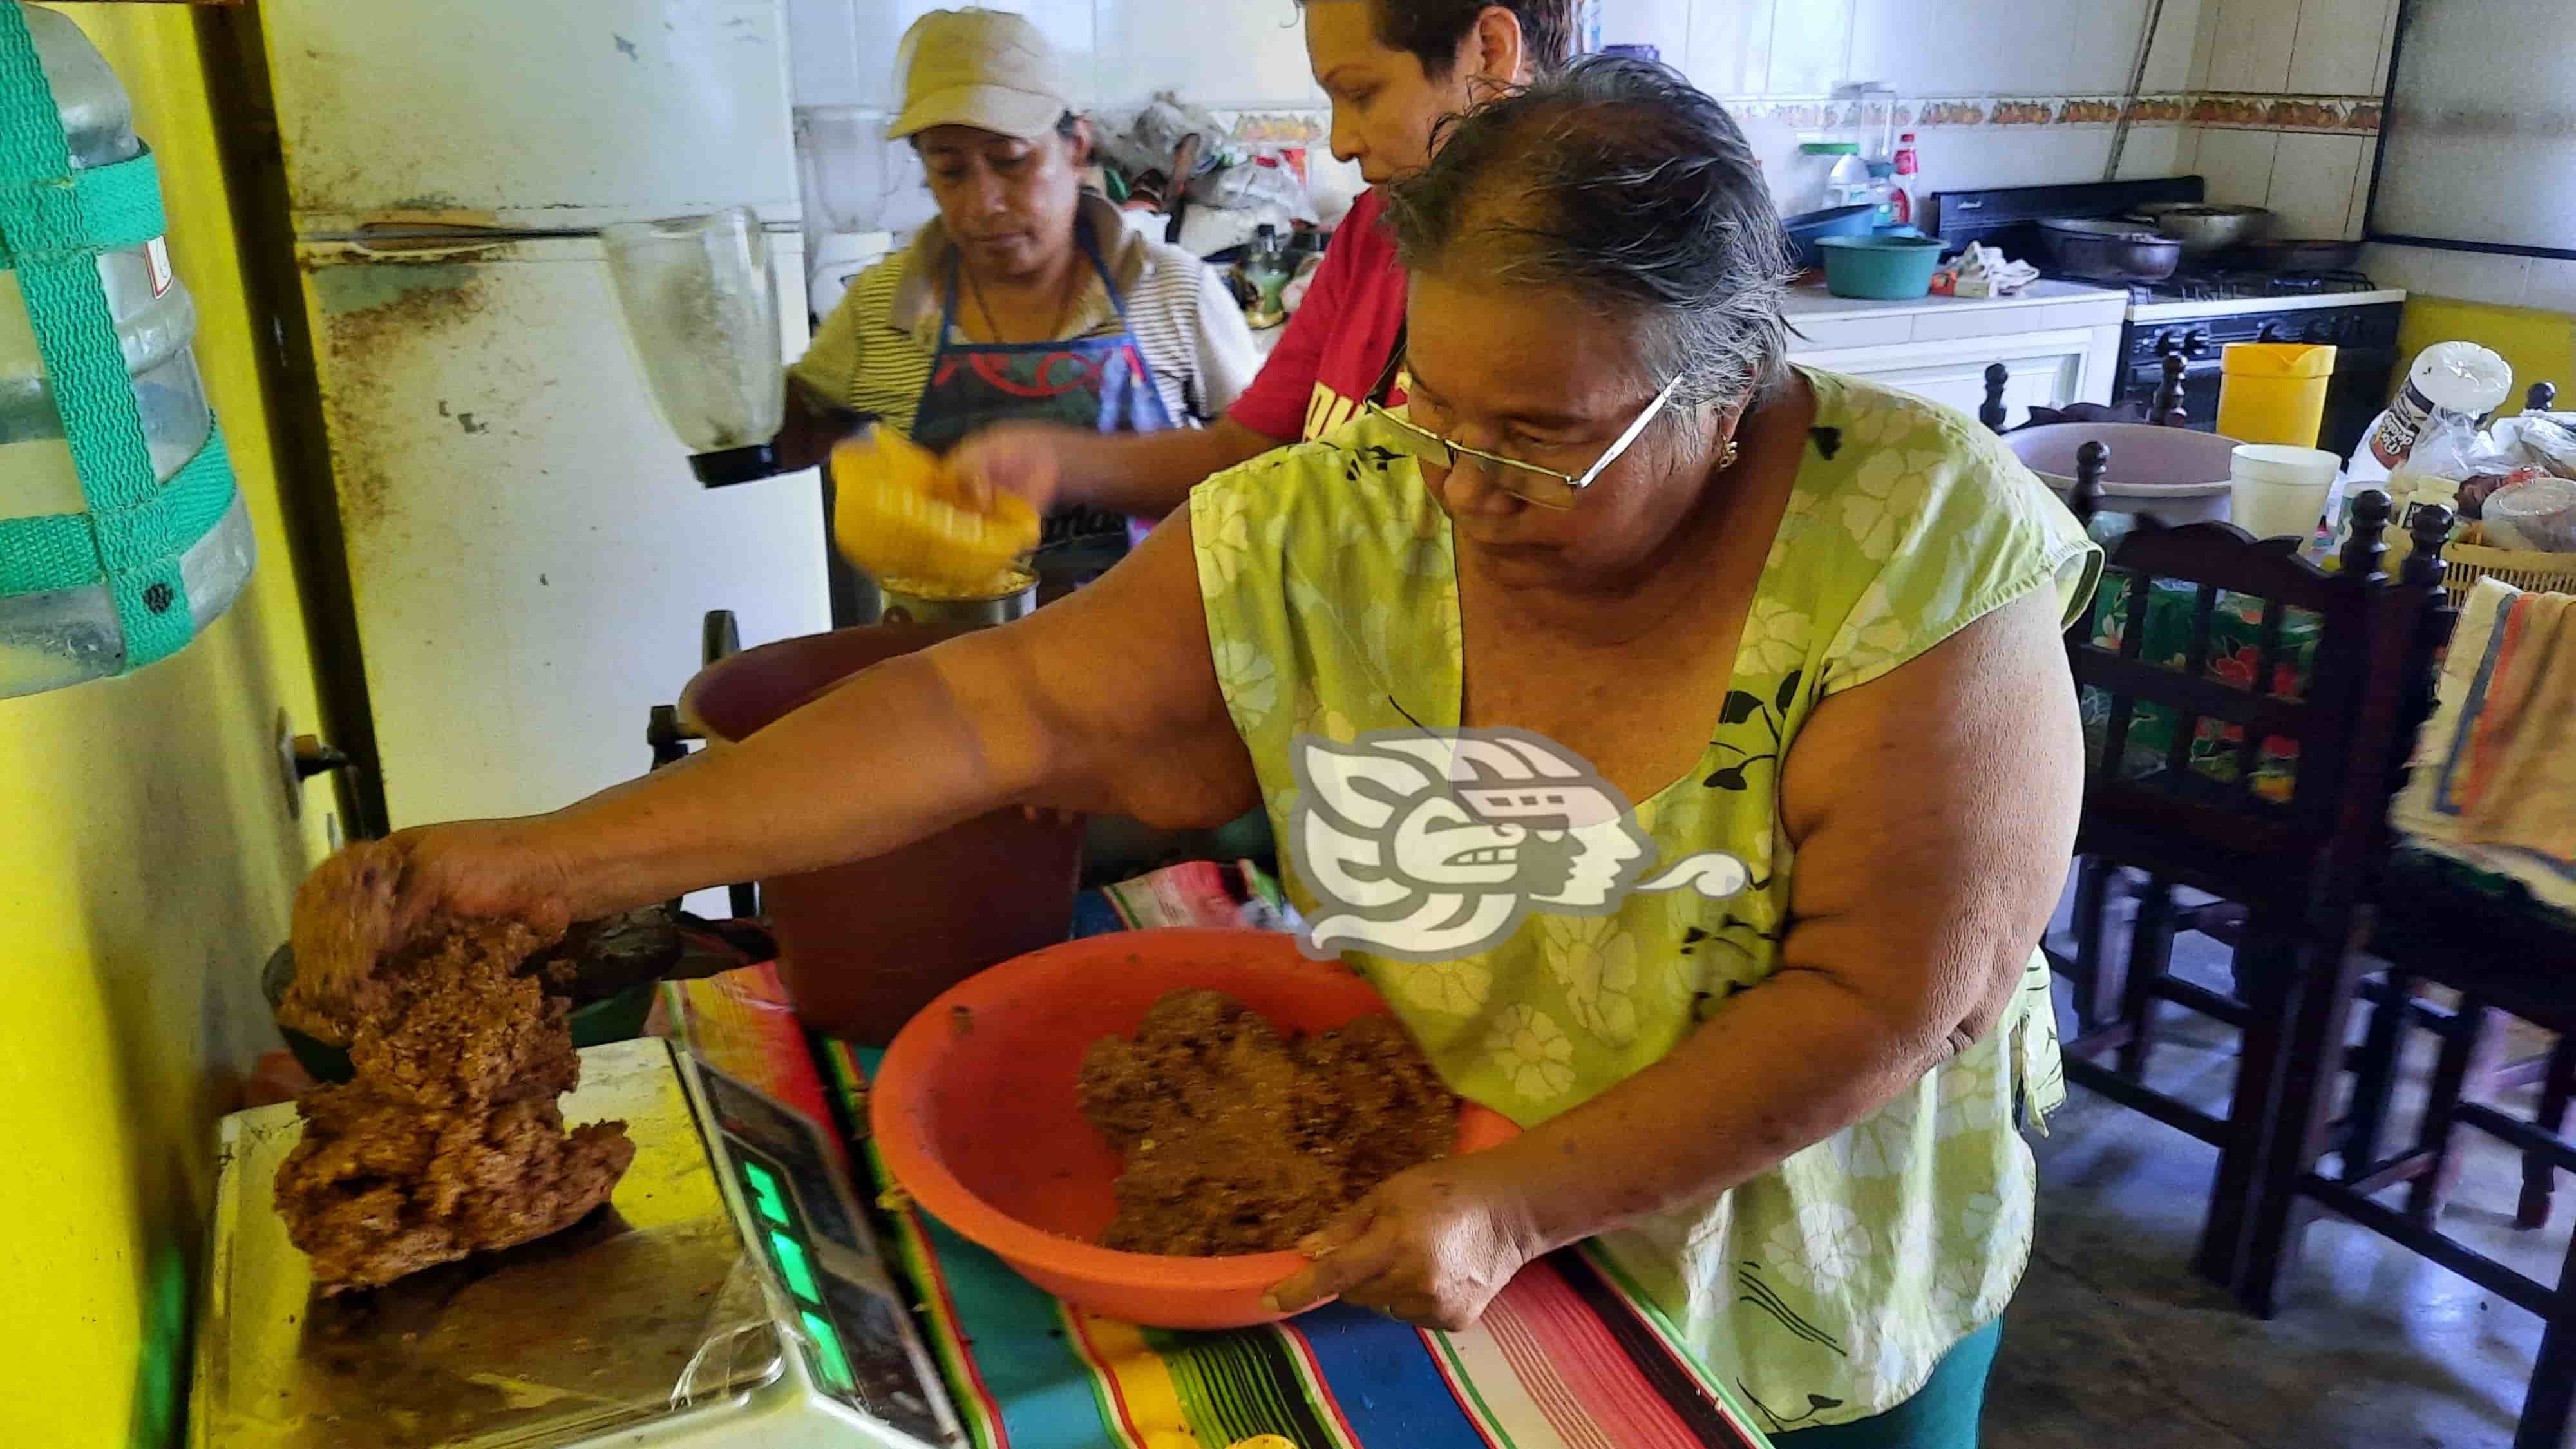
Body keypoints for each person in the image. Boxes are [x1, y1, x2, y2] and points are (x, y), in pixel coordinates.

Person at [295, 61, 2099, 1446]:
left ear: (1731, 379)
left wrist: (1525, 1198)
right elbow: (982, 709)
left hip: (1807, 1228)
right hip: (1462, 1189)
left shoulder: (1920, 546)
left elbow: (1887, 997)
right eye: (1435, 406)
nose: (1463, 490)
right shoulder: (1356, 512)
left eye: (1541, 439)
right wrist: (529, 861)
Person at [941, 0, 1573, 522]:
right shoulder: (1374, 230)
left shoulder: (1583, 292)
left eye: (1361, 93)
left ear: (1489, 51)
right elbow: (1249, 450)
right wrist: (1054, 462)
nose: (1342, 141)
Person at [772, 8, 1258, 617]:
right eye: (949, 171)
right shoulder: (884, 307)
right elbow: (792, 435)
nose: (984, 204)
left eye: (1011, 161)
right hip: (942, 653)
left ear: (1075, 147)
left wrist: (1065, 464)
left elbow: (1264, 473)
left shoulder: (1174, 293)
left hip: (1156, 643)